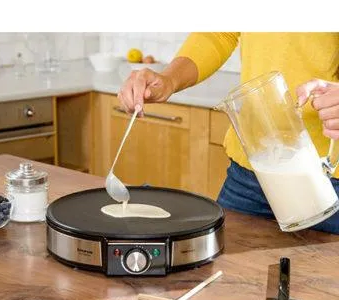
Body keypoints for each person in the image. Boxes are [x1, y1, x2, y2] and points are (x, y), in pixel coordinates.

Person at [118, 32, 339, 234]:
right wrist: (169, 79)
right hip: (248, 176)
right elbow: (219, 33)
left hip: (325, 181)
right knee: (221, 262)